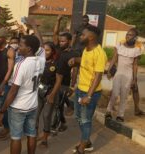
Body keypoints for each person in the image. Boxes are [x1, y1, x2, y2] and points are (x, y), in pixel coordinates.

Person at [0, 35, 45, 154]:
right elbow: (42, 45)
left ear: (29, 49)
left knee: (16, 137)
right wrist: (34, 26)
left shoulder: (21, 65)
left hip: (18, 107)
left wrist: (2, 111)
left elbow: (13, 91)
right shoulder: (41, 60)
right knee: (31, 134)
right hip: (33, 106)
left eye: (21, 45)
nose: (18, 47)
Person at [68, 26, 107, 154]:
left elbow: (98, 76)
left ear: (91, 37)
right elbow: (85, 61)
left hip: (91, 93)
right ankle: (87, 142)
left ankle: (82, 148)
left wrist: (88, 96)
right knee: (79, 117)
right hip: (80, 89)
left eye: (82, 35)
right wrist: (76, 60)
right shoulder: (87, 49)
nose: (80, 37)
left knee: (85, 120)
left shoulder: (99, 53)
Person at [50, 15, 79, 133]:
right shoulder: (57, 48)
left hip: (64, 82)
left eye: (63, 41)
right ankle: (63, 122)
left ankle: (54, 127)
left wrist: (72, 84)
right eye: (60, 41)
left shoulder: (73, 53)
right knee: (59, 105)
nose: (60, 43)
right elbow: (55, 33)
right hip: (53, 80)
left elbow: (75, 69)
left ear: (69, 41)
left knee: (58, 104)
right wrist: (58, 20)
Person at [105, 28, 142, 122]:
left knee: (124, 95)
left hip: (128, 74)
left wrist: (134, 79)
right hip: (119, 73)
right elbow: (114, 59)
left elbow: (135, 65)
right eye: (127, 34)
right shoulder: (119, 46)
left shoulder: (137, 50)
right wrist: (109, 70)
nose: (127, 36)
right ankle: (108, 111)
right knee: (115, 93)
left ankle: (120, 115)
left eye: (130, 35)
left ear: (135, 37)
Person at [36, 42, 58, 148]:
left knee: (46, 116)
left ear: (53, 51)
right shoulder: (39, 61)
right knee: (35, 115)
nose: (45, 52)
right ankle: (33, 135)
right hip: (39, 91)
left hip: (50, 93)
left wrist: (52, 94)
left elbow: (58, 81)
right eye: (44, 50)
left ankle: (45, 139)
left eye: (48, 50)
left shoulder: (55, 64)